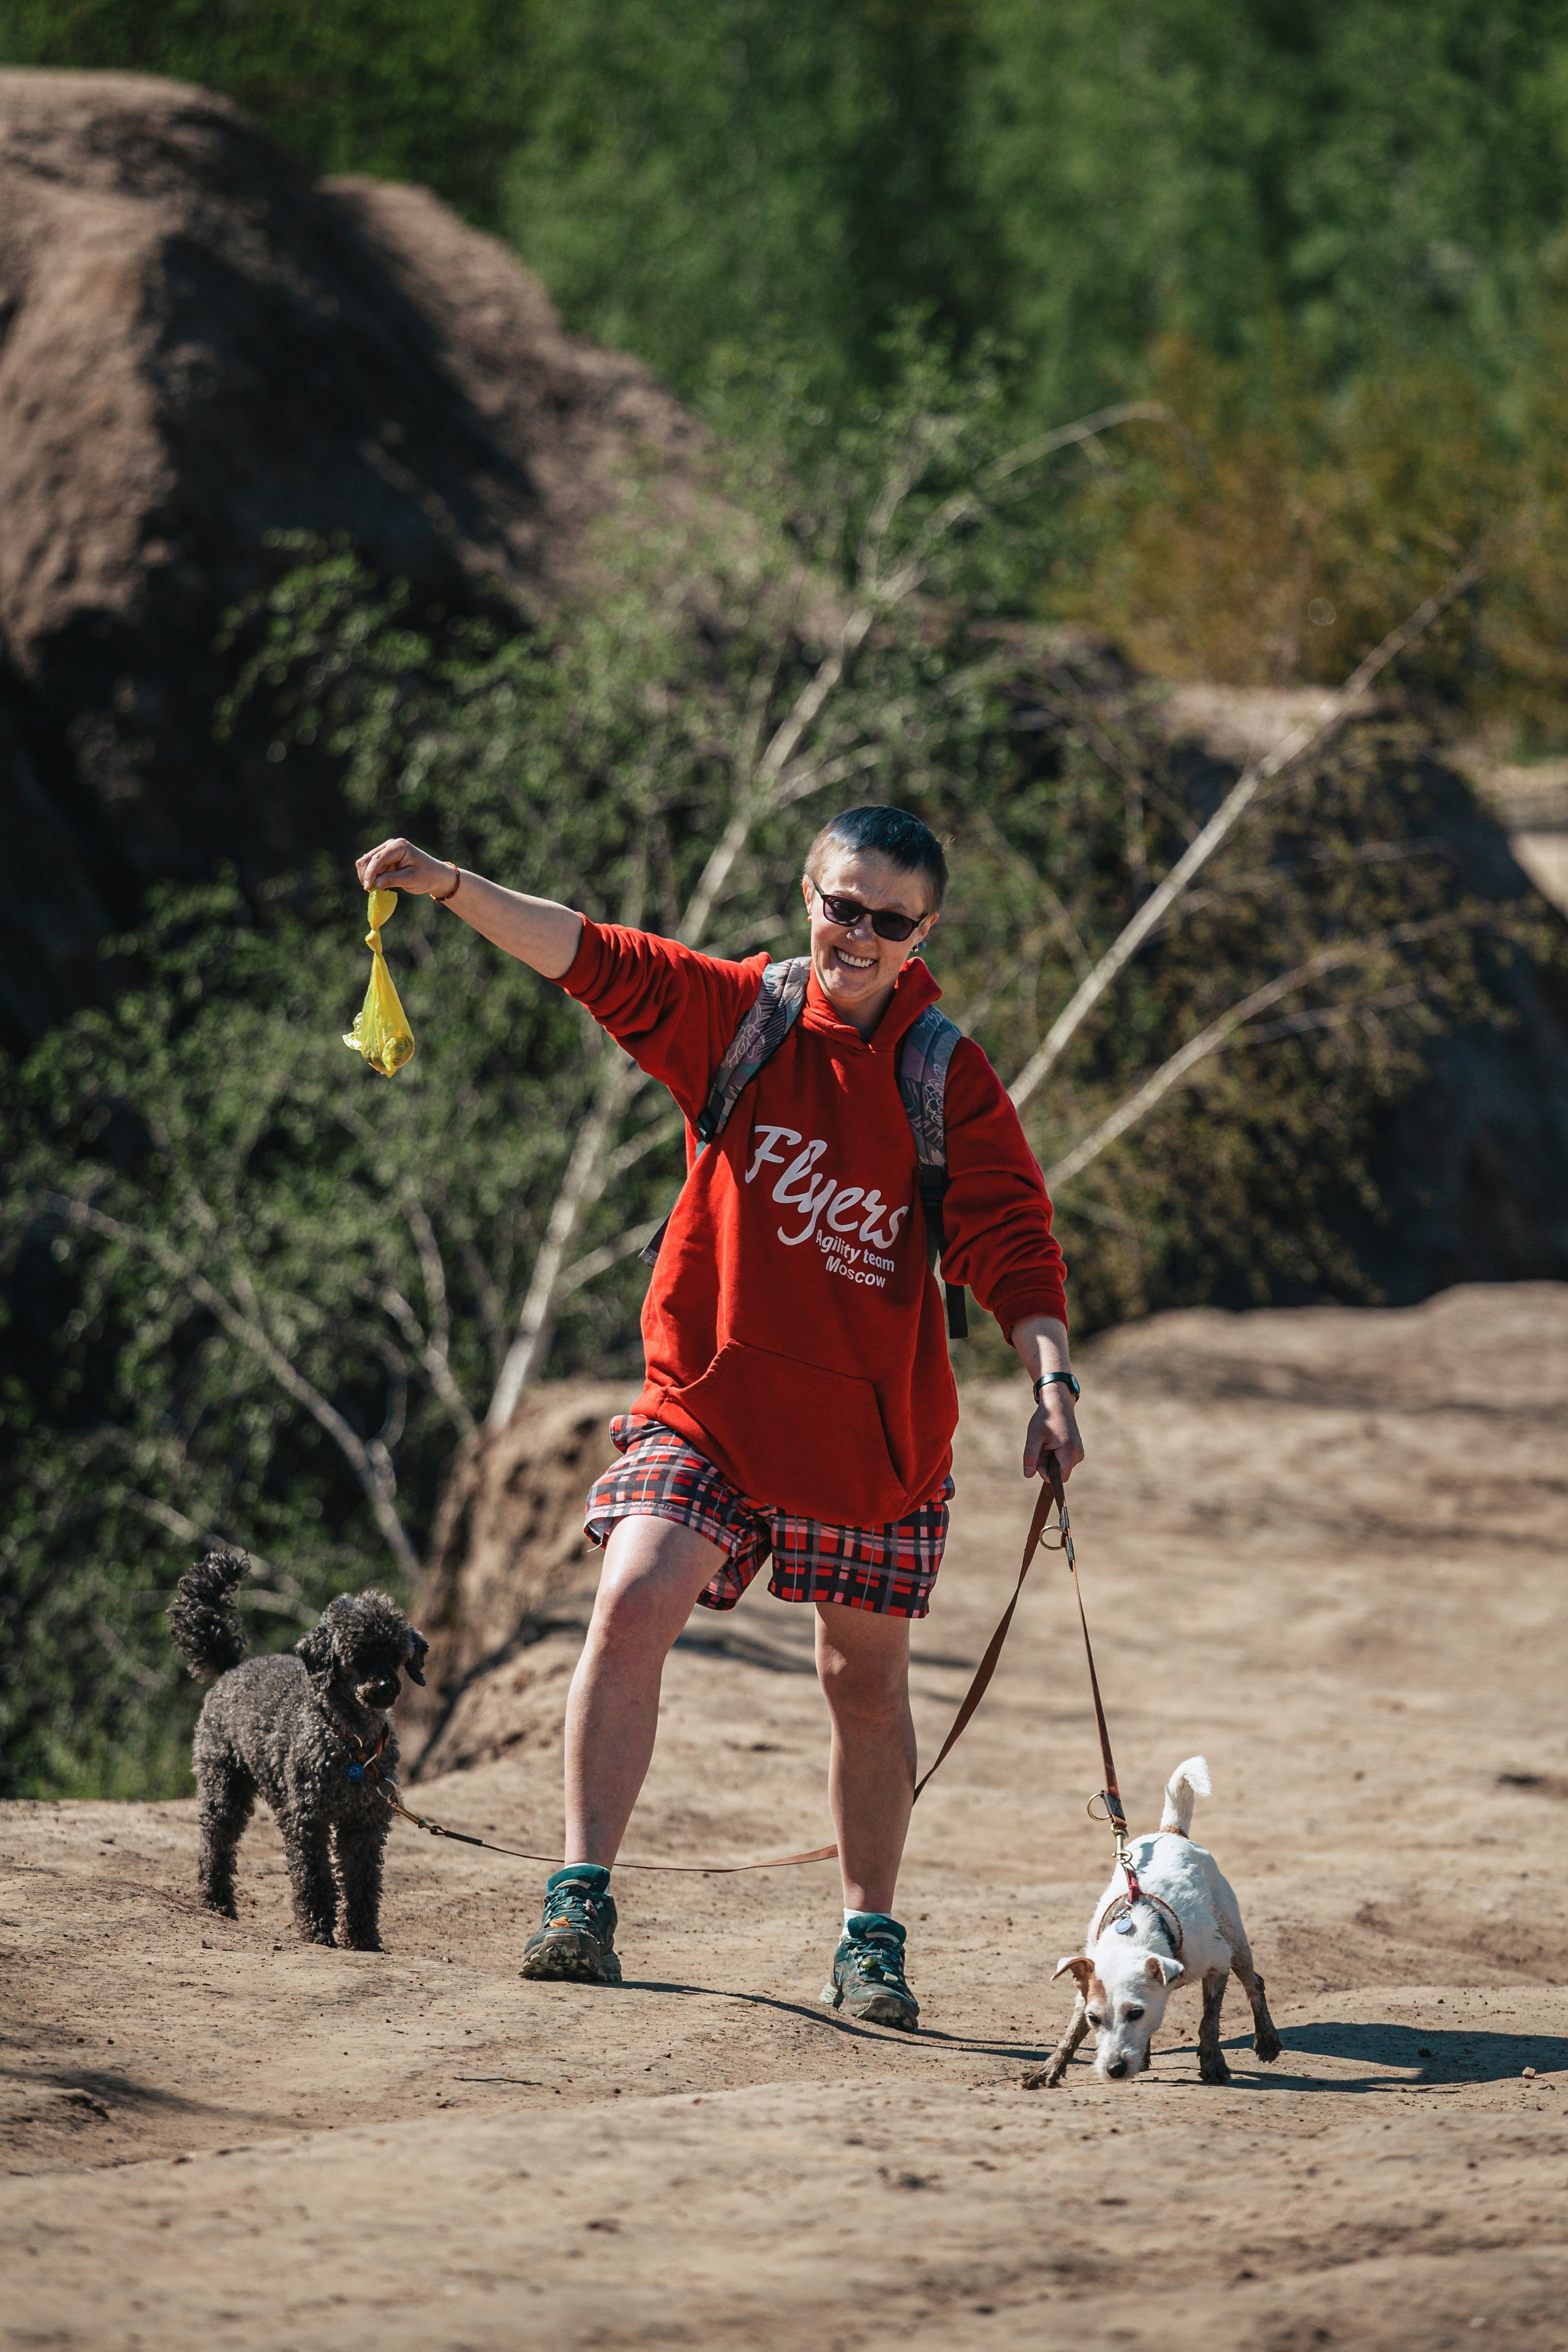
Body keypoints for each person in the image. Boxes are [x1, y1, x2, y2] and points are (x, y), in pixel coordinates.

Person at [355, 807, 1082, 2029]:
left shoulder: (941, 1073)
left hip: (870, 1434)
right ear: (806, 892)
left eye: (884, 920)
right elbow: (594, 956)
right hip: (710, 1401)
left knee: (861, 1679)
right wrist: (445, 888)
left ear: (922, 934)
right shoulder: (740, 1018)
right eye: (838, 904)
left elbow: (1012, 1246)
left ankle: (869, 1939)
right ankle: (578, 1898)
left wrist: (1051, 1383)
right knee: (634, 1596)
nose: (854, 933)